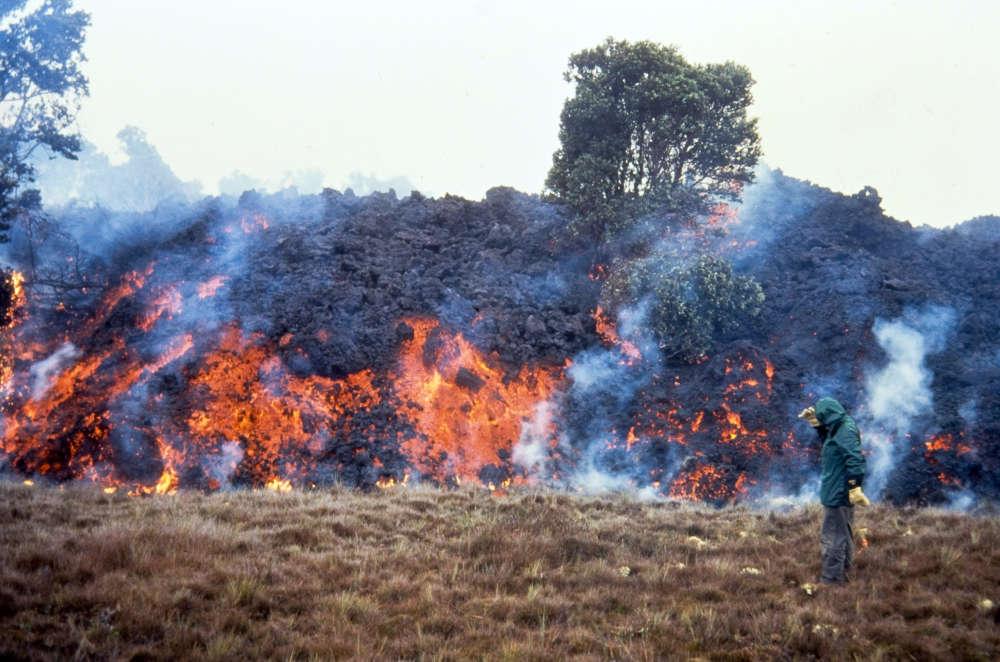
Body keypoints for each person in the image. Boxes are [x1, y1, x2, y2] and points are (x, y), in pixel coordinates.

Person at [798, 397, 870, 584]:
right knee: (844, 533)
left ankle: (831, 580)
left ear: (828, 415)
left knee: (832, 537)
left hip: (837, 491)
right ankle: (844, 572)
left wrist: (854, 486)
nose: (820, 419)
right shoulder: (839, 426)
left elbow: (855, 459)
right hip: (839, 489)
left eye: (821, 417)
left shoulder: (845, 430)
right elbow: (831, 442)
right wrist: (816, 424)